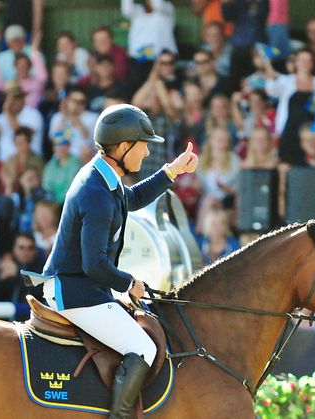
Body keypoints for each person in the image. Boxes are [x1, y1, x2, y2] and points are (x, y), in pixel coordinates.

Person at [35, 104, 197, 418]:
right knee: (144, 349)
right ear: (123, 148)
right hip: (75, 292)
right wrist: (129, 283)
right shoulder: (96, 191)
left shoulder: (103, 177)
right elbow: (93, 266)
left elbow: (132, 200)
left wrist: (173, 170)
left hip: (83, 287)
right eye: (144, 146)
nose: (148, 153)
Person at [42, 132, 82, 206]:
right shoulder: (50, 165)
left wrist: (58, 203)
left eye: (63, 144)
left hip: (70, 203)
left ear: (68, 146)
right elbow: (47, 186)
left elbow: (72, 187)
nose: (60, 148)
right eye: (57, 145)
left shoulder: (75, 163)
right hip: (52, 204)